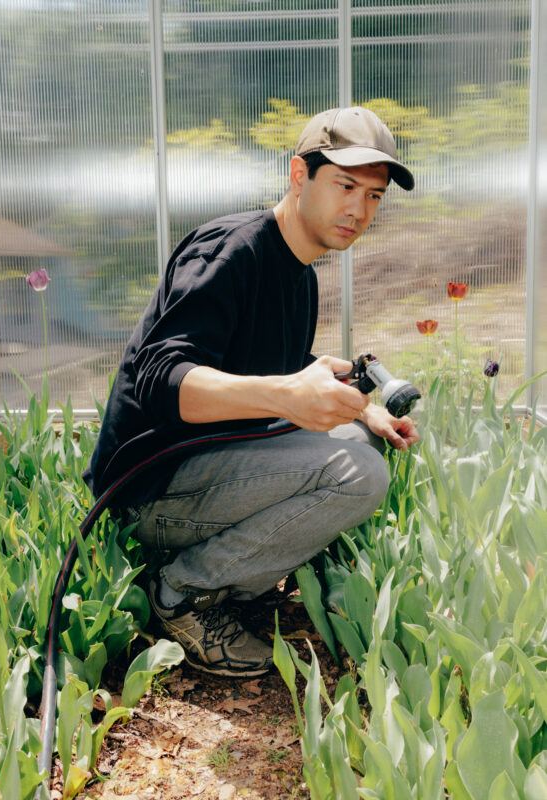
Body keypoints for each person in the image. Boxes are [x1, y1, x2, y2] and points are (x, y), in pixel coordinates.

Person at [84, 106, 420, 677]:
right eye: (345, 185)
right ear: (298, 174)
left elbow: (264, 362)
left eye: (374, 197)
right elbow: (164, 381)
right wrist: (286, 395)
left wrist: (359, 402)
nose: (358, 209)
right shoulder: (230, 251)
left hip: (202, 470)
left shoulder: (300, 273)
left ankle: (227, 576)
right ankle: (183, 593)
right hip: (147, 489)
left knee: (356, 439)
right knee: (360, 474)